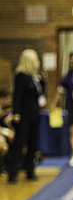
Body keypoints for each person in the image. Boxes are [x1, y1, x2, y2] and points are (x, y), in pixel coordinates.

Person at [7, 49, 46, 183]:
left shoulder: (34, 77)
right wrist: (16, 112)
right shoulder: (21, 76)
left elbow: (39, 95)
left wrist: (43, 82)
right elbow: (17, 95)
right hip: (23, 115)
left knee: (33, 143)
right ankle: (13, 173)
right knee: (20, 143)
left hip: (35, 114)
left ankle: (30, 170)